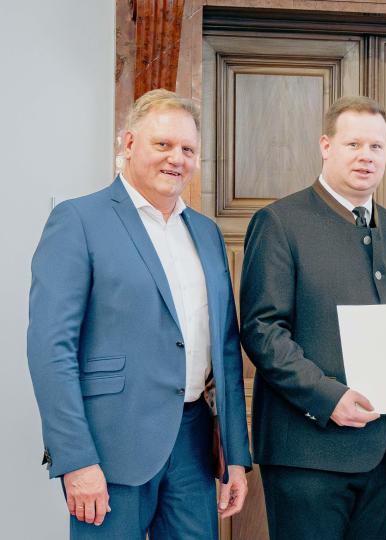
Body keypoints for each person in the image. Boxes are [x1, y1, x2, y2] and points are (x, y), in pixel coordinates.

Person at [27, 89, 251, 539]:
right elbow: (51, 349)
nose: (176, 158)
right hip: (111, 447)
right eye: (163, 144)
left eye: (188, 149)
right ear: (129, 144)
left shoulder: (206, 233)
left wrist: (236, 456)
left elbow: (225, 348)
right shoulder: (79, 220)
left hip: (193, 444)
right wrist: (76, 459)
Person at [240, 95, 386, 540]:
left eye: (376, 146)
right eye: (354, 144)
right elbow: (262, 331)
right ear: (326, 146)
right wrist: (328, 397)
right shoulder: (279, 222)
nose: (366, 156)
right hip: (307, 453)